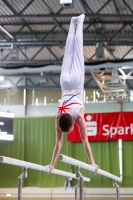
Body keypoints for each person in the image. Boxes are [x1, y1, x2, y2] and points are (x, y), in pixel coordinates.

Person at [48, 14, 98, 173]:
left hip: (76, 83)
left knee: (77, 50)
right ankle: (72, 22)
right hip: (64, 82)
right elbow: (59, 144)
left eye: (69, 131)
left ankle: (80, 21)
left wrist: (92, 162)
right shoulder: (59, 116)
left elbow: (85, 141)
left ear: (72, 123)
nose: (70, 132)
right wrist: (51, 164)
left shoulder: (79, 117)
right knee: (69, 52)